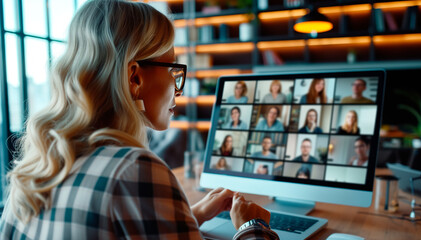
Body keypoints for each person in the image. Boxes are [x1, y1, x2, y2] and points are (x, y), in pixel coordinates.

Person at [0, 1, 279, 239]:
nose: (178, 88)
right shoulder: (135, 170)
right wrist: (252, 226)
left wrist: (186, 217)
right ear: (135, 77)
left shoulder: (35, 170)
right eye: (174, 70)